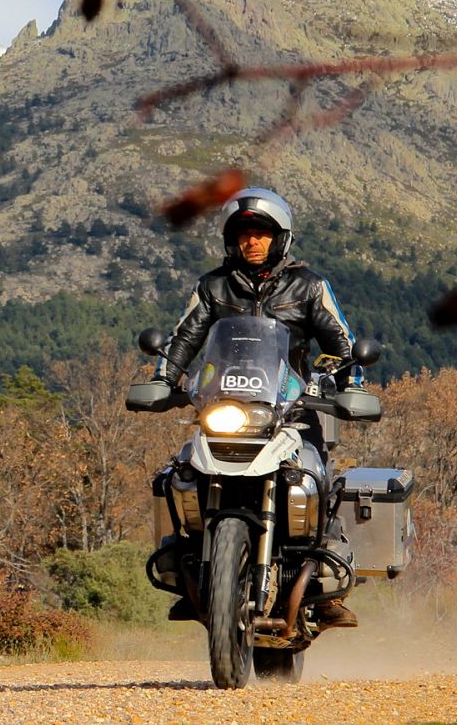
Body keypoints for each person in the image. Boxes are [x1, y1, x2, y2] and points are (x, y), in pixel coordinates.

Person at [155, 187, 361, 629]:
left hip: (292, 408)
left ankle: (323, 581)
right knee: (180, 475)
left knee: (313, 477)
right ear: (232, 239)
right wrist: (163, 378)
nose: (252, 241)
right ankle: (189, 567)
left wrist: (350, 382)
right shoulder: (213, 286)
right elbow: (185, 337)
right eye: (245, 232)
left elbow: (340, 341)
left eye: (262, 233)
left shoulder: (308, 286)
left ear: (280, 238)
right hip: (225, 406)